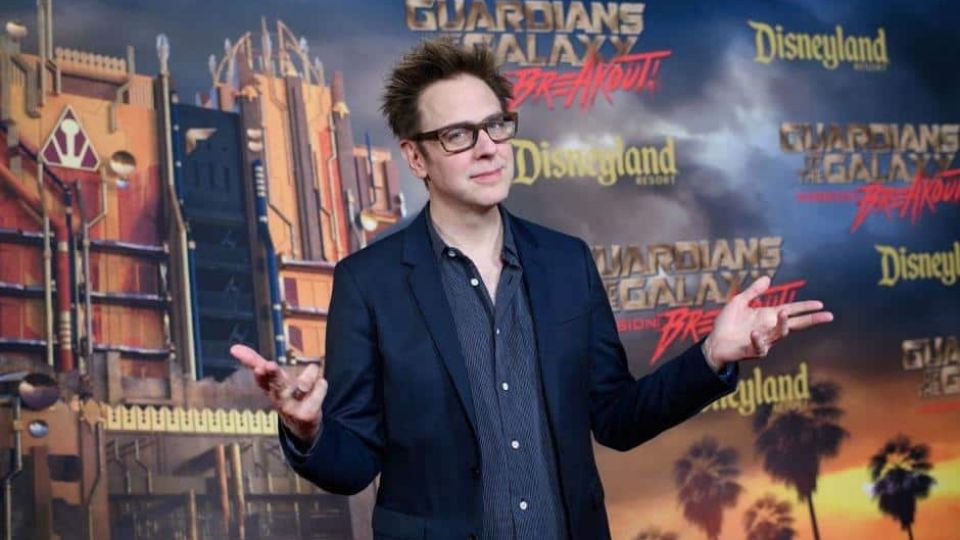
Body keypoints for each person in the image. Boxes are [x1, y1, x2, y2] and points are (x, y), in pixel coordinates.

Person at [230, 38, 833, 540]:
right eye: (458, 134)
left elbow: (616, 418)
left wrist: (711, 357)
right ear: (415, 157)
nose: (488, 147)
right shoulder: (368, 282)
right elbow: (353, 464)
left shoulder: (566, 262)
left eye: (496, 125)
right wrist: (308, 431)